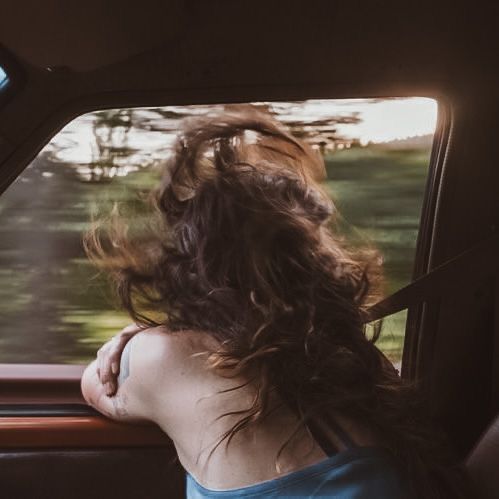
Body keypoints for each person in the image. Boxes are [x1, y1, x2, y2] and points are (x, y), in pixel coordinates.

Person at [81, 107, 467, 498]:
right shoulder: (360, 366)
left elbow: (97, 386)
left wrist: (142, 338)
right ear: (314, 263)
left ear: (189, 262)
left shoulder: (165, 359)